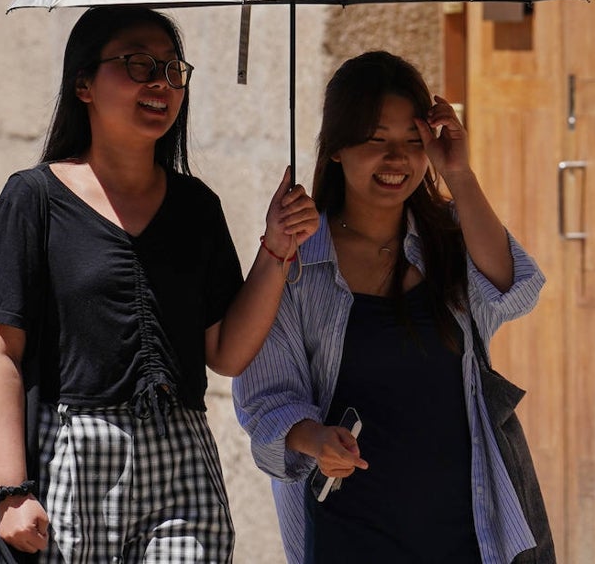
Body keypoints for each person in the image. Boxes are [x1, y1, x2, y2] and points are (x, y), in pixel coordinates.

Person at [0, 6, 318, 564]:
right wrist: (11, 491)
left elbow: (226, 353)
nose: (161, 82)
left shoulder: (196, 207)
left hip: (182, 449)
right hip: (75, 454)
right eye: (138, 64)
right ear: (82, 83)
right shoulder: (31, 199)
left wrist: (276, 248)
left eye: (172, 69)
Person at [232, 51, 552, 564]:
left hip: (464, 526)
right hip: (350, 530)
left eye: (411, 141)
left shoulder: (449, 238)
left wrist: (460, 174)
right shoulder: (296, 264)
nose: (397, 159)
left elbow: (513, 290)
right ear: (336, 148)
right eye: (376, 140)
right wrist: (316, 440)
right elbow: (265, 400)